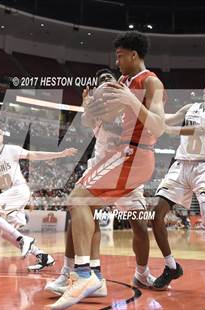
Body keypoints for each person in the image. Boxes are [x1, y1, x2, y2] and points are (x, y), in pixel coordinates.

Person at [48, 31, 165, 309]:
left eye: (120, 56)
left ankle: (86, 275)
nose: (117, 61)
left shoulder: (151, 82)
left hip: (136, 154)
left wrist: (131, 101)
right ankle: (91, 277)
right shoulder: (122, 82)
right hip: (120, 154)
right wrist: (89, 108)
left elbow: (158, 127)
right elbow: (99, 120)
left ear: (133, 55)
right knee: (81, 205)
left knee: (80, 200)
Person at [151, 73, 205, 300]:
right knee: (156, 215)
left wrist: (171, 131)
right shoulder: (190, 107)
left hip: (204, 168)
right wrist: (151, 109)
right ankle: (171, 266)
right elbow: (165, 120)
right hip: (180, 166)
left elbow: (199, 130)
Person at [0, 127, 77, 270]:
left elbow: (34, 154)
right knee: (5, 234)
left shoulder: (11, 149)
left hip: (19, 190)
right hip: (11, 196)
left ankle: (25, 240)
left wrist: (60, 154)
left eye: (1, 134)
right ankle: (42, 256)